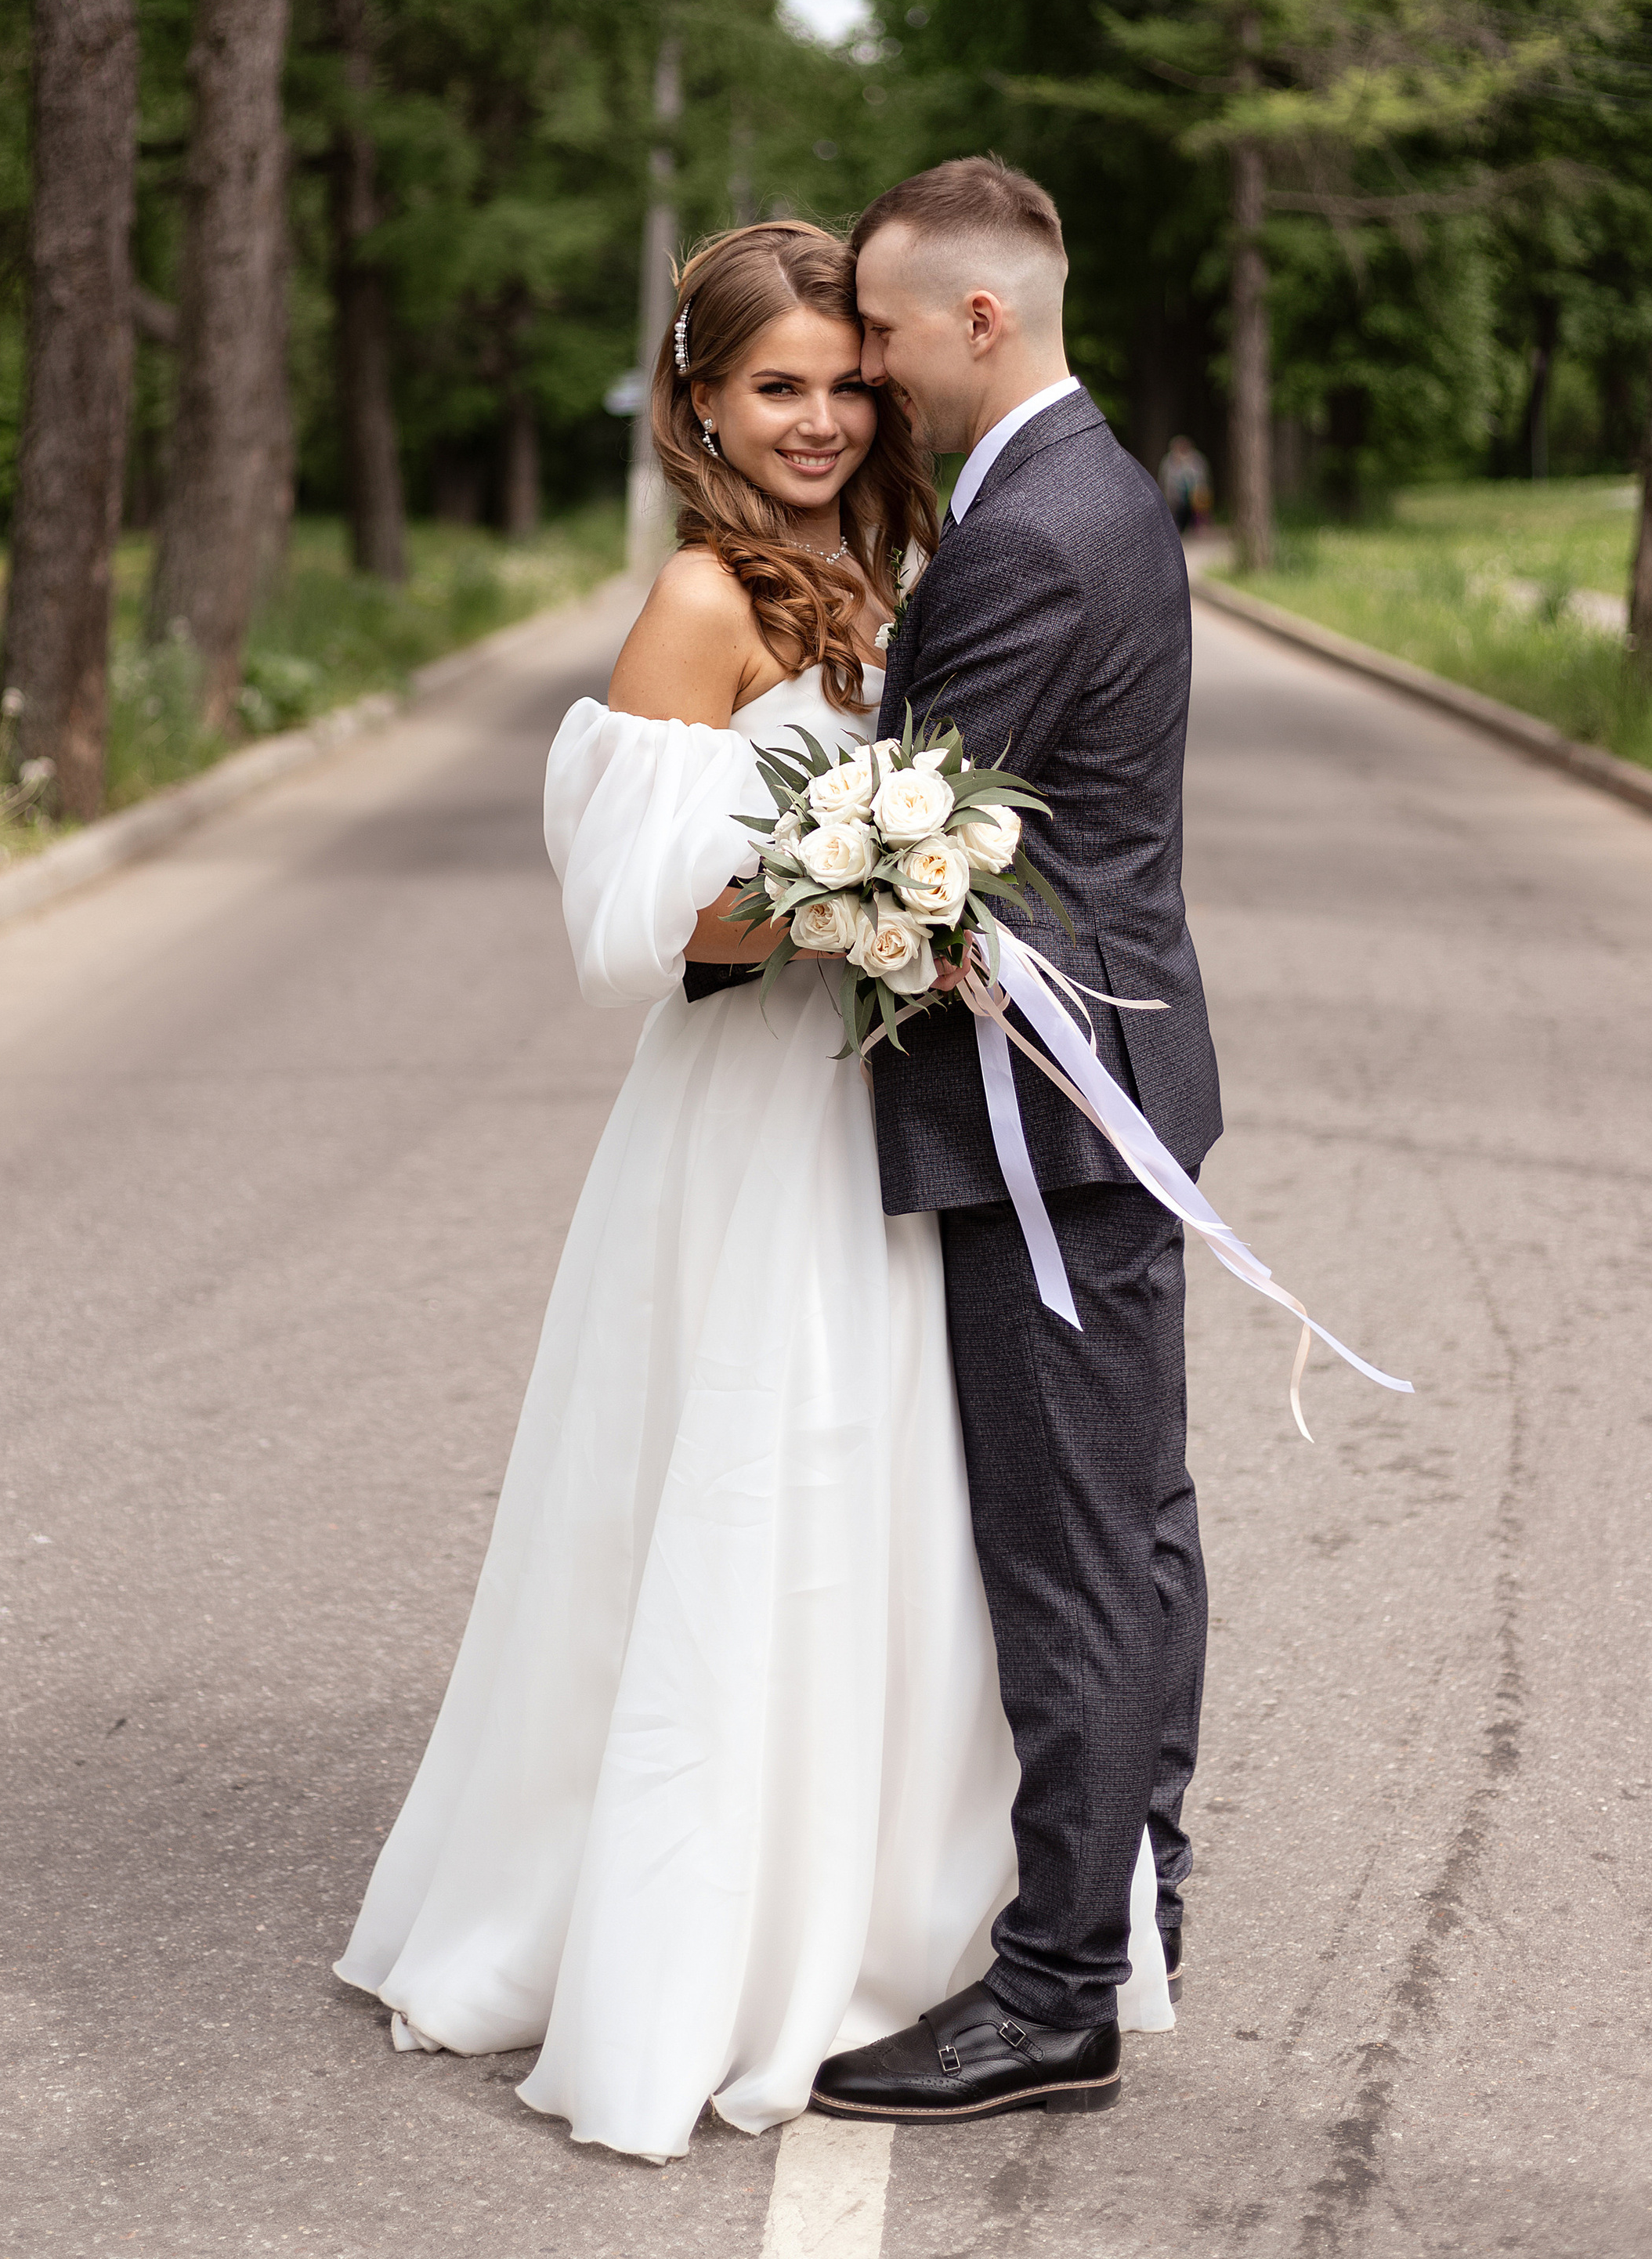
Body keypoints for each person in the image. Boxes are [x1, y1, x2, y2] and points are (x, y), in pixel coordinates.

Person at [334, 215, 1175, 2161]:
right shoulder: (701, 601)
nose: (812, 417)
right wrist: (855, 890)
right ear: (698, 400)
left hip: (879, 1113)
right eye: (770, 386)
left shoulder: (888, 575)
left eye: (838, 381)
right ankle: (695, 1931)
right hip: (744, 1120)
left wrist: (915, 885)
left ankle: (888, 1912)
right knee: (745, 1491)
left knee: (888, 1514)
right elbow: (634, 925)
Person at [808, 156, 1222, 2127]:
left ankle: (1050, 1988)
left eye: (880, 337)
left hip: (1042, 1107)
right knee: (1131, 1518)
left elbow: (907, 834)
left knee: (1071, 1549)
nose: (866, 375)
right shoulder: (1077, 487)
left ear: (978, 318)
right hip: (1103, 1088)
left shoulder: (1031, 533)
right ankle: (1128, 1886)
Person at [1160, 434, 1212, 534]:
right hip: (1176, 494)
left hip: (1194, 491)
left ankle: (1198, 528)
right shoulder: (1169, 461)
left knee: (1196, 510)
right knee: (1178, 512)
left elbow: (1202, 476)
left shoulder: (1196, 459)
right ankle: (1178, 528)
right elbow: (1165, 479)